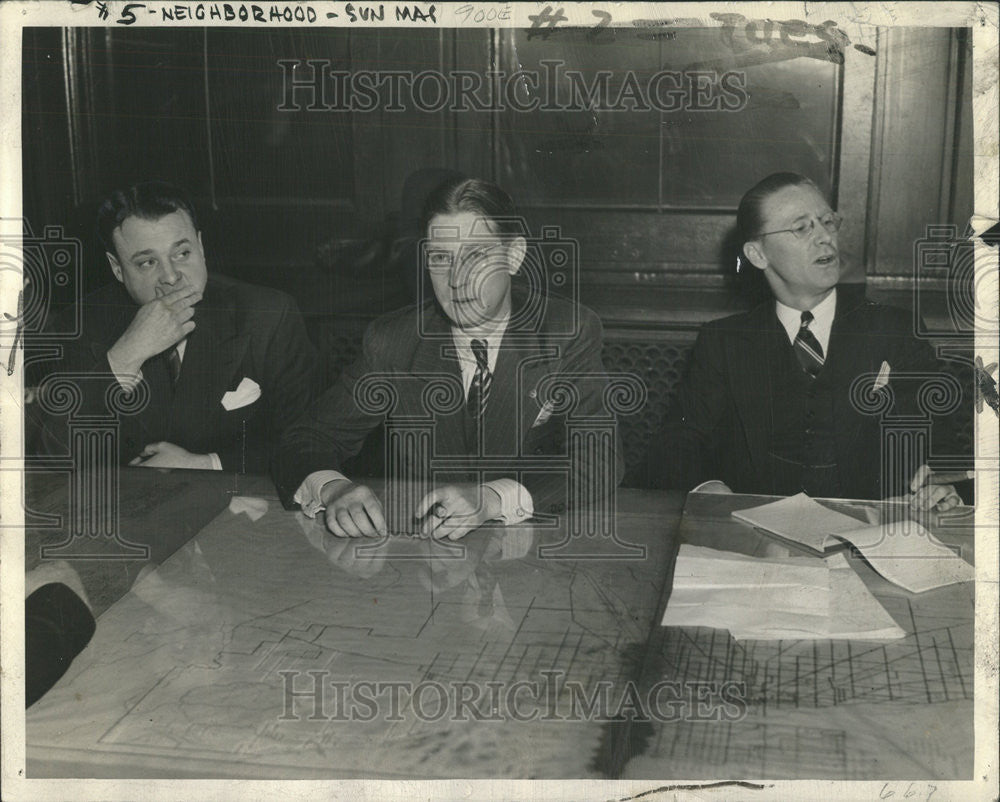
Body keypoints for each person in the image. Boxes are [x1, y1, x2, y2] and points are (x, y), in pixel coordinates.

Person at [273, 177, 623, 540]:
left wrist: (490, 499)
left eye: (476, 255)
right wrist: (334, 489)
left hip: (527, 548)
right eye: (441, 258)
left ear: (514, 255)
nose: (457, 280)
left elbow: (598, 458)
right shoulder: (396, 341)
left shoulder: (565, 331)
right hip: (425, 558)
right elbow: (306, 439)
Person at [652, 172, 963, 510]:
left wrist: (936, 480)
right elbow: (678, 441)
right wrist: (708, 486)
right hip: (759, 538)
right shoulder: (723, 342)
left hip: (868, 534)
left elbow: (940, 439)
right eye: (802, 228)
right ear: (757, 255)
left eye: (827, 222)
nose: (825, 238)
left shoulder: (895, 330)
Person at [34, 181, 316, 473]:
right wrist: (125, 356)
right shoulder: (79, 325)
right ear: (117, 269)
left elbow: (308, 444)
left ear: (201, 247)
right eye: (147, 263)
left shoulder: (267, 315)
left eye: (182, 254)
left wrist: (207, 463)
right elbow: (56, 460)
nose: (170, 276)